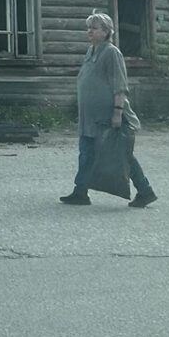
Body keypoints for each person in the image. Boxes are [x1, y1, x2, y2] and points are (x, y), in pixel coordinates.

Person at [60, 11, 157, 208]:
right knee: (86, 152)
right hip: (89, 117)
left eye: (94, 28)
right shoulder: (91, 51)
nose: (89, 32)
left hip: (107, 116)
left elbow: (120, 85)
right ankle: (80, 192)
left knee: (121, 155)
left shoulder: (112, 52)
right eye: (88, 28)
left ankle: (145, 191)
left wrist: (117, 113)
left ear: (106, 31)